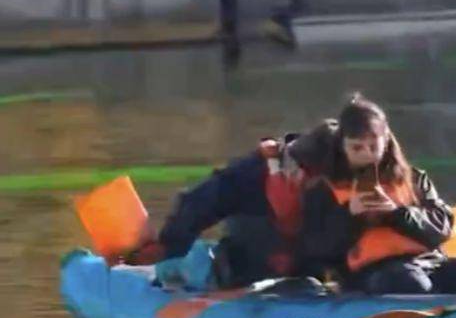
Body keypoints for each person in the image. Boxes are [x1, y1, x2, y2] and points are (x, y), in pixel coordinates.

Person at [127, 120, 338, 288]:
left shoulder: (350, 185)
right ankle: (170, 270)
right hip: (248, 266)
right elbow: (200, 202)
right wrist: (168, 245)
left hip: (309, 273)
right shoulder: (255, 173)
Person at [299, 94, 456, 294]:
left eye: (374, 146)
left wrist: (396, 213)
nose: (367, 154)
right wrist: (350, 215)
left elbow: (441, 228)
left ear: (386, 142)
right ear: (343, 147)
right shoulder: (323, 190)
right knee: (407, 281)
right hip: (377, 275)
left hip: (431, 265)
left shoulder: (414, 178)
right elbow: (316, 249)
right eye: (357, 147)